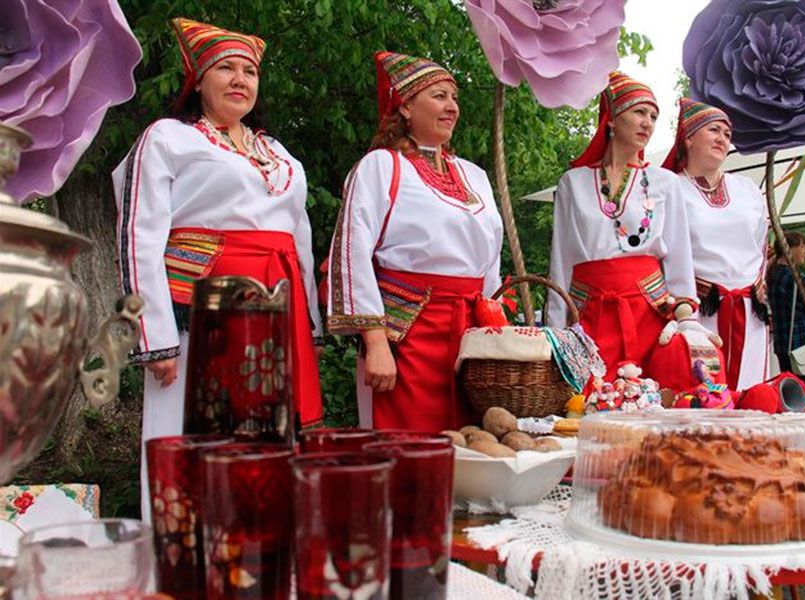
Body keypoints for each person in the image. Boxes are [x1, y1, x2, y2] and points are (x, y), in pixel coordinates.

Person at [113, 18, 323, 519]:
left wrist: (308, 323)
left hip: (277, 309)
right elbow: (139, 233)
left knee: (266, 435)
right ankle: (181, 561)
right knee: (188, 432)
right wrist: (154, 335)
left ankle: (255, 557)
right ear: (198, 80)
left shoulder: (279, 155)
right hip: (201, 311)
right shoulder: (170, 138)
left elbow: (301, 242)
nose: (240, 79)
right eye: (225, 68)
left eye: (249, 71)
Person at [326, 51, 503, 431]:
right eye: (439, 96)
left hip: (470, 339)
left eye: (454, 98)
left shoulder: (475, 175)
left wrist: (495, 339)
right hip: (408, 336)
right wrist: (375, 343)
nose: (452, 107)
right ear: (405, 106)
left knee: (473, 449)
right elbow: (351, 253)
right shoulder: (381, 166)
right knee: (407, 452)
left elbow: (491, 263)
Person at [547, 72, 702, 383]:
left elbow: (679, 259)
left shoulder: (665, 183)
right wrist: (556, 330)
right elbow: (561, 260)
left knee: (652, 399)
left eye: (654, 116)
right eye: (639, 112)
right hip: (589, 312)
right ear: (612, 119)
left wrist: (687, 321)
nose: (648, 122)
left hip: (649, 310)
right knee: (588, 403)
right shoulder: (573, 183)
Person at [662, 98, 769, 391]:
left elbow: (762, 245)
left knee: (751, 394)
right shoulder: (670, 188)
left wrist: (760, 284)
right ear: (689, 137)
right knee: (703, 393)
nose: (723, 138)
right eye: (714, 130)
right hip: (698, 311)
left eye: (727, 133)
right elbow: (662, 254)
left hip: (749, 311)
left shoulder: (747, 189)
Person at [766, 232, 805, 396]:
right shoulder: (797, 279)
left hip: (783, 345)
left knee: (794, 395)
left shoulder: (772, 275)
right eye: (802, 246)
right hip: (803, 345)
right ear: (789, 248)